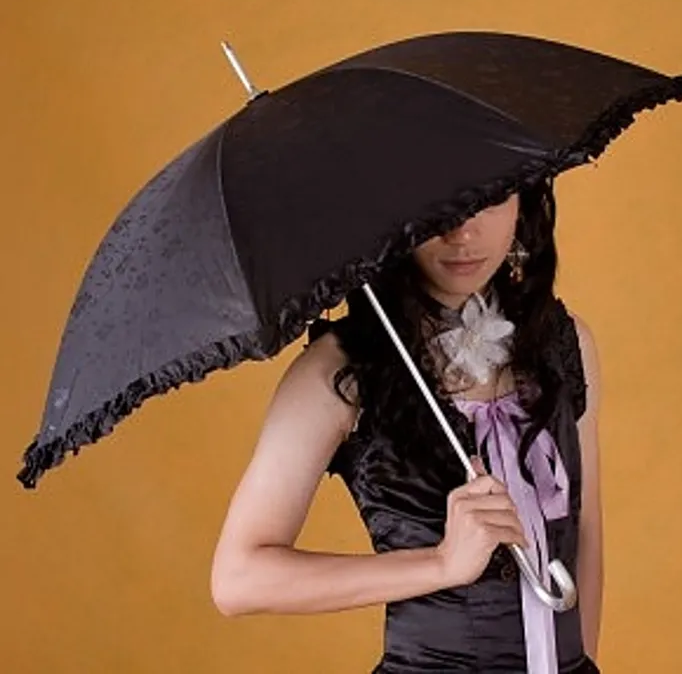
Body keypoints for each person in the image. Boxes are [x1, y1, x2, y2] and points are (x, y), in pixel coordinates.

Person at [210, 179, 604, 673]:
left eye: (489, 197)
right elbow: (238, 579)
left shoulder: (564, 345)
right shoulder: (336, 372)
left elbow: (585, 535)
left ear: (521, 201)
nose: (463, 233)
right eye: (440, 201)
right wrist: (440, 564)